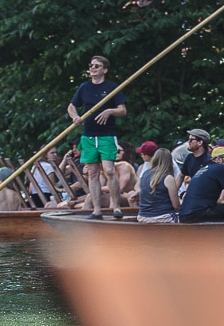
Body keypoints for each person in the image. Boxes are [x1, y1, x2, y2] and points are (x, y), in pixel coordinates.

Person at [68, 54, 127, 220]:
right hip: (88, 136)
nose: (92, 68)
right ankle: (97, 210)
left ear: (104, 70)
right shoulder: (84, 87)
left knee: (109, 170)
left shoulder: (112, 87)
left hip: (106, 135)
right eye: (91, 65)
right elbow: (71, 106)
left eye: (96, 66)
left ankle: (116, 207)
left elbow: (123, 110)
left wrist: (110, 111)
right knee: (92, 172)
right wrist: (75, 116)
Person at [178, 144, 224, 222]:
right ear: (218, 159)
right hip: (200, 215)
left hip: (184, 216)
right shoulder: (221, 168)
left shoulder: (204, 169)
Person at [131, 143, 179, 222]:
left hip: (142, 217)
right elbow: (176, 206)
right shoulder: (168, 178)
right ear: (169, 161)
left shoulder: (145, 174)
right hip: (163, 217)